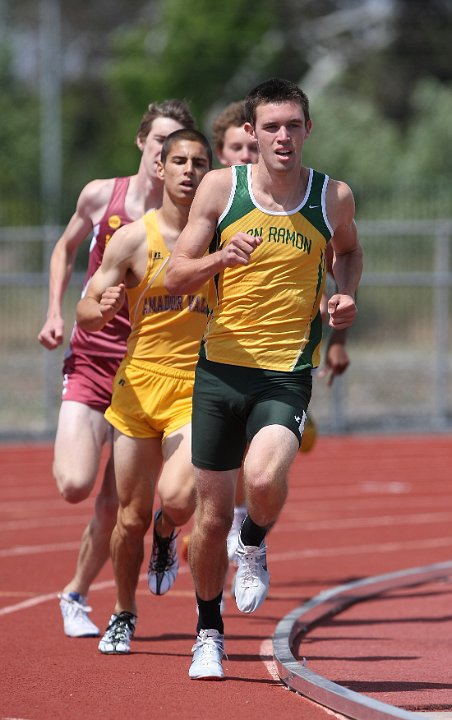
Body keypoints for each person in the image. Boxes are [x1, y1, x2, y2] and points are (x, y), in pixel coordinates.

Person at [164, 78, 363, 679]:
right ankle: (208, 630)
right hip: (220, 372)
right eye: (271, 126)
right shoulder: (223, 189)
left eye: (293, 125)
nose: (283, 136)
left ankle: (254, 541)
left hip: (286, 374)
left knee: (265, 475)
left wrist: (344, 295)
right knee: (208, 514)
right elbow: (176, 275)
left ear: (308, 130)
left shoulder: (332, 197)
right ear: (250, 133)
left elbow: (348, 253)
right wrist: (219, 258)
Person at [37, 100, 196, 638]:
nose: (168, 155)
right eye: (160, 142)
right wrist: (56, 310)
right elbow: (64, 247)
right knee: (76, 486)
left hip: (154, 367)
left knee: (119, 506)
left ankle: (77, 593)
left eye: (179, 146)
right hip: (94, 359)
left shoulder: (196, 219)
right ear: (143, 145)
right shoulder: (104, 196)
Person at [75, 128, 213, 655]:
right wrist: (102, 306)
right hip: (138, 386)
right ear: (160, 167)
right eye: (178, 161)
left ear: (210, 173)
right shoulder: (134, 236)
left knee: (179, 498)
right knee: (126, 515)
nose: (187, 171)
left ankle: (167, 530)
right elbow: (84, 311)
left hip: (195, 387)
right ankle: (123, 612)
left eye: (199, 163)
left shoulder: (222, 235)